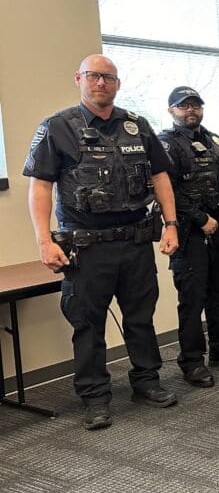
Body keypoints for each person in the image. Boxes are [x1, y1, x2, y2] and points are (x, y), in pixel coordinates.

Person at [24, 54, 180, 430]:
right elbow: (41, 186)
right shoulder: (57, 127)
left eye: (109, 78)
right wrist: (44, 240)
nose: (101, 83)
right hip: (86, 247)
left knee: (141, 318)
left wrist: (172, 224)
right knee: (88, 324)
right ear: (79, 78)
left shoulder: (136, 126)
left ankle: (147, 382)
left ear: (117, 84)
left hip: (135, 242)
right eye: (94, 76)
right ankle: (95, 396)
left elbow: (160, 177)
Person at [158, 86, 219, 389]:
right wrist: (199, 218)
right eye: (183, 106)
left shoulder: (215, 141)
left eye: (195, 105)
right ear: (171, 111)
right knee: (192, 299)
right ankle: (192, 361)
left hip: (218, 228)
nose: (190, 110)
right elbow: (167, 191)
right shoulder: (165, 145)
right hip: (188, 232)